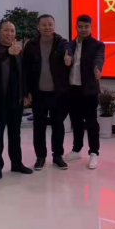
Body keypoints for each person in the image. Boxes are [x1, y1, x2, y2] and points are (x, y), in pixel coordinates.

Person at [0, 20, 33, 179]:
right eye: (6, 30)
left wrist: (26, 94)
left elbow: (23, 74)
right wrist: (8, 52)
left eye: (12, 31)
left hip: (16, 100)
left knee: (15, 134)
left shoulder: (19, 51)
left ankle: (17, 164)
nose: (9, 33)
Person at [24, 14, 72, 171]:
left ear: (54, 25)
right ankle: (40, 157)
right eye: (43, 25)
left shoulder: (62, 43)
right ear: (38, 27)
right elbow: (26, 70)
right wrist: (27, 92)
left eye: (50, 24)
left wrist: (68, 59)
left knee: (58, 125)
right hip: (38, 93)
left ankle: (58, 156)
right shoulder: (31, 45)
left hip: (58, 93)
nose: (47, 27)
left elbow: (69, 52)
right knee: (39, 126)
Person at [64, 15, 105, 170]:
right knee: (76, 122)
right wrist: (67, 60)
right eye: (80, 26)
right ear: (76, 27)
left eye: (86, 26)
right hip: (73, 89)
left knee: (91, 122)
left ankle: (94, 152)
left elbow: (99, 59)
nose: (83, 29)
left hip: (89, 91)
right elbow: (67, 57)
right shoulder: (70, 44)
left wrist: (97, 69)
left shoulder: (98, 45)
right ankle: (76, 149)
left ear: (91, 27)